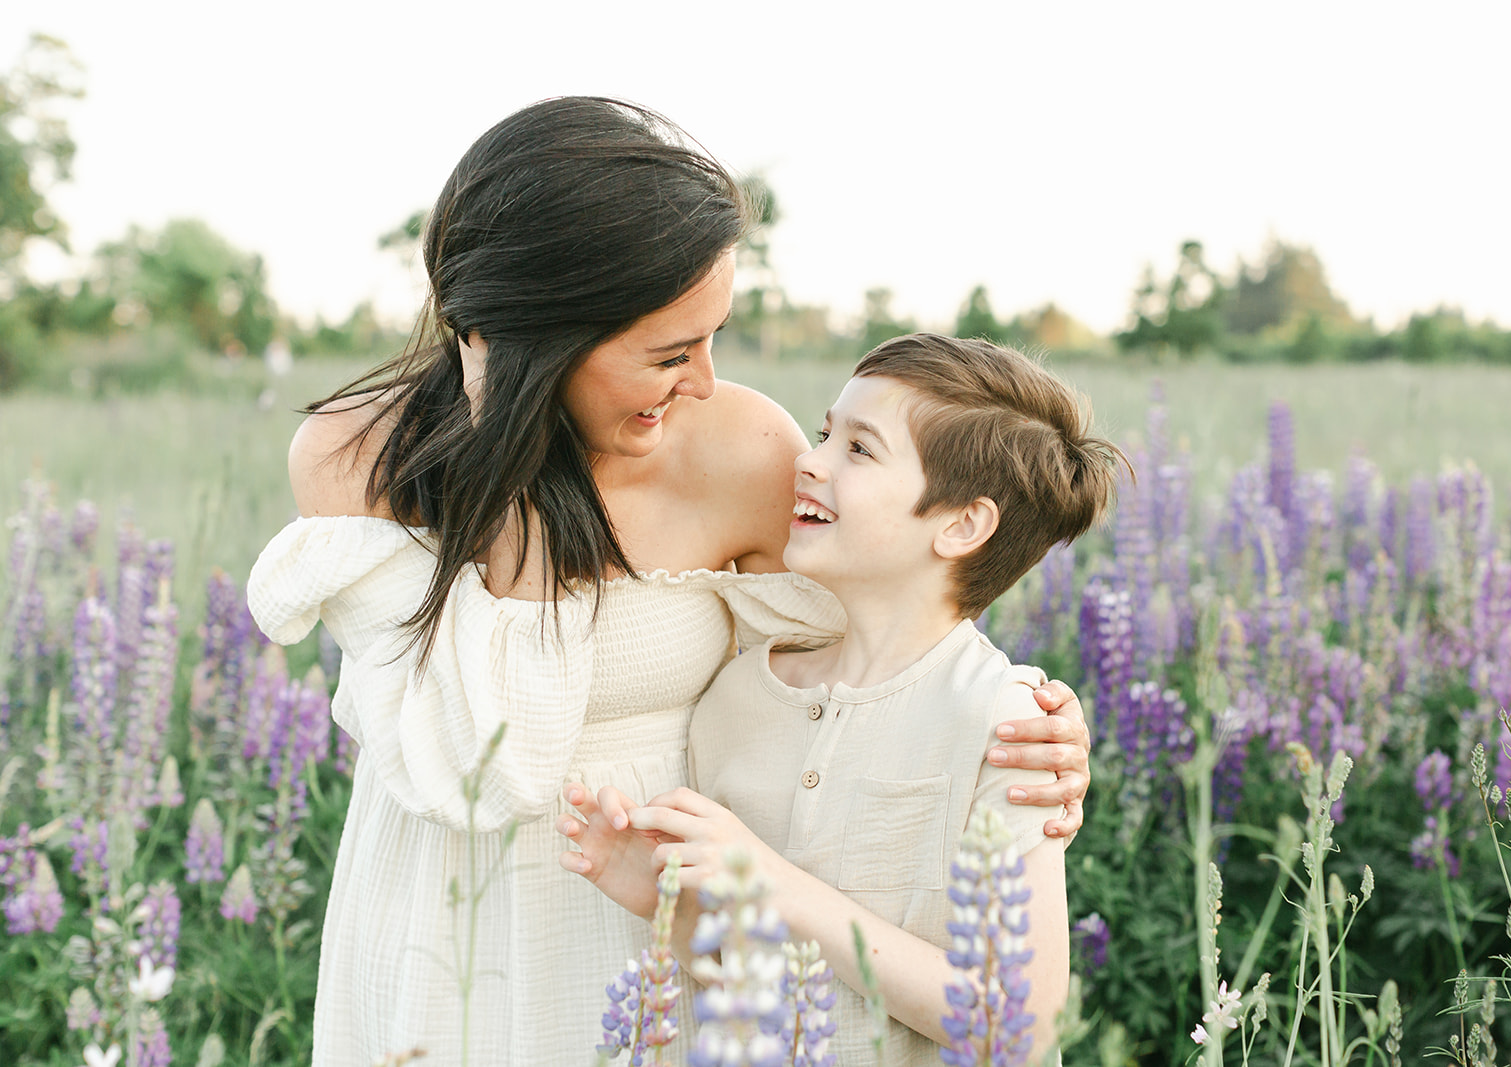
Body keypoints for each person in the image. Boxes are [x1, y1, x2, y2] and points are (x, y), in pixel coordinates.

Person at [246, 98, 1091, 1067]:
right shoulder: (356, 456)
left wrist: (1030, 725)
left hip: (671, 908)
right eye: (668, 351)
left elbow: (880, 647)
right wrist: (511, 458)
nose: (701, 378)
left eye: (712, 334)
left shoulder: (745, 448)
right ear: (535, 343)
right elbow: (495, 762)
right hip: (441, 906)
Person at [560, 333, 1124, 1064]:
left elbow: (1017, 1024)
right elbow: (734, 966)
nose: (809, 458)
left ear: (962, 523)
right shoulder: (737, 695)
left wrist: (770, 880)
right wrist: (663, 903)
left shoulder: (1008, 722)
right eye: (827, 431)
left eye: (859, 449)